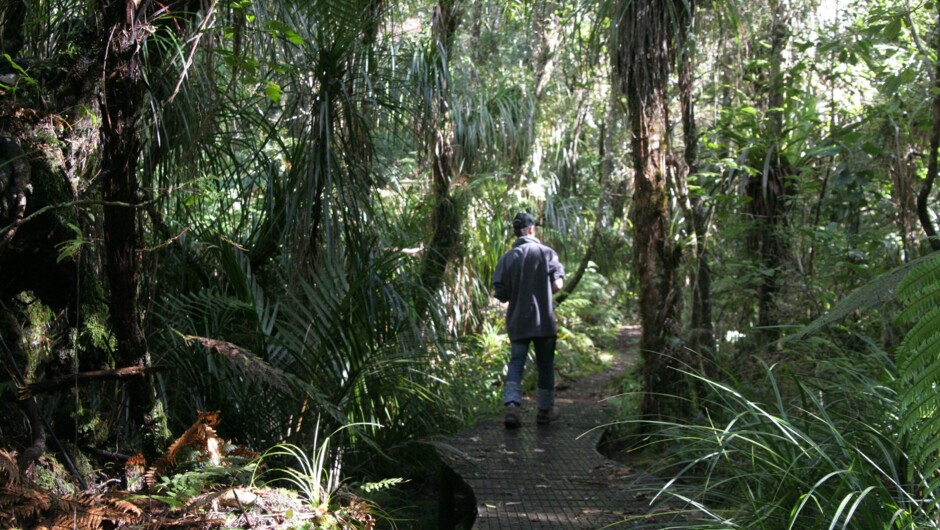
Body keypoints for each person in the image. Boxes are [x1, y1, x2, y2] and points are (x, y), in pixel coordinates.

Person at [492, 212, 565, 428]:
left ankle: (512, 407)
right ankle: (544, 411)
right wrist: (543, 291)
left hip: (518, 321)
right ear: (532, 229)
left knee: (516, 364)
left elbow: (501, 292)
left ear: (517, 232)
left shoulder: (508, 258)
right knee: (545, 366)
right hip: (544, 321)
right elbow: (558, 285)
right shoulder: (547, 253)